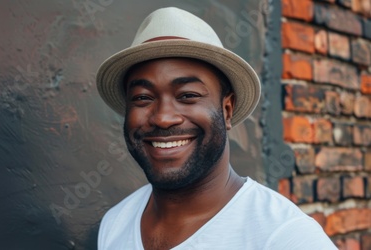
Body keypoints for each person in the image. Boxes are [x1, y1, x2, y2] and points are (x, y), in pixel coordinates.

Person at [95, 7, 336, 250]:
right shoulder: (116, 223)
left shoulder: (284, 236)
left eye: (188, 95)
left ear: (227, 110)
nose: (163, 118)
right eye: (143, 98)